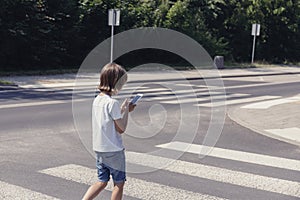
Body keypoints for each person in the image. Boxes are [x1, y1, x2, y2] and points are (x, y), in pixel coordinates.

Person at [82, 63, 135, 200]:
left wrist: (122, 109)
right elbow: (121, 128)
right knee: (119, 183)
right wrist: (128, 111)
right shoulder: (112, 103)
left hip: (99, 149)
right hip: (114, 150)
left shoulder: (97, 100)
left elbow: (108, 119)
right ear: (115, 82)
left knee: (102, 181)